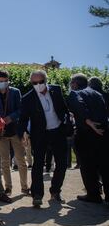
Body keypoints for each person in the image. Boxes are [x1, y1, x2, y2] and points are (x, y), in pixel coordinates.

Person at [19, 70, 71, 208]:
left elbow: (64, 109)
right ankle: (37, 195)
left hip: (58, 131)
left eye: (41, 82)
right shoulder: (27, 98)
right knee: (38, 165)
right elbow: (23, 118)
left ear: (46, 80)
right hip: (40, 135)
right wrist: (23, 132)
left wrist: (66, 122)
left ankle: (55, 191)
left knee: (62, 163)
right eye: (34, 83)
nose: (38, 85)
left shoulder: (56, 90)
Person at [0, 70, 29, 196]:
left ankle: (24, 186)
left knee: (21, 160)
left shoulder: (15, 92)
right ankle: (8, 187)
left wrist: (10, 117)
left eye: (5, 81)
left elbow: (21, 109)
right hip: (0, 133)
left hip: (15, 131)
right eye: (0, 81)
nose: (3, 83)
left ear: (8, 81)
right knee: (4, 161)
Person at [67, 73, 108, 204]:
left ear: (74, 84)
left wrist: (88, 121)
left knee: (87, 166)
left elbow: (79, 106)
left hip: (86, 135)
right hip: (103, 134)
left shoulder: (75, 94)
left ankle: (93, 194)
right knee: (104, 166)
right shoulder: (98, 94)